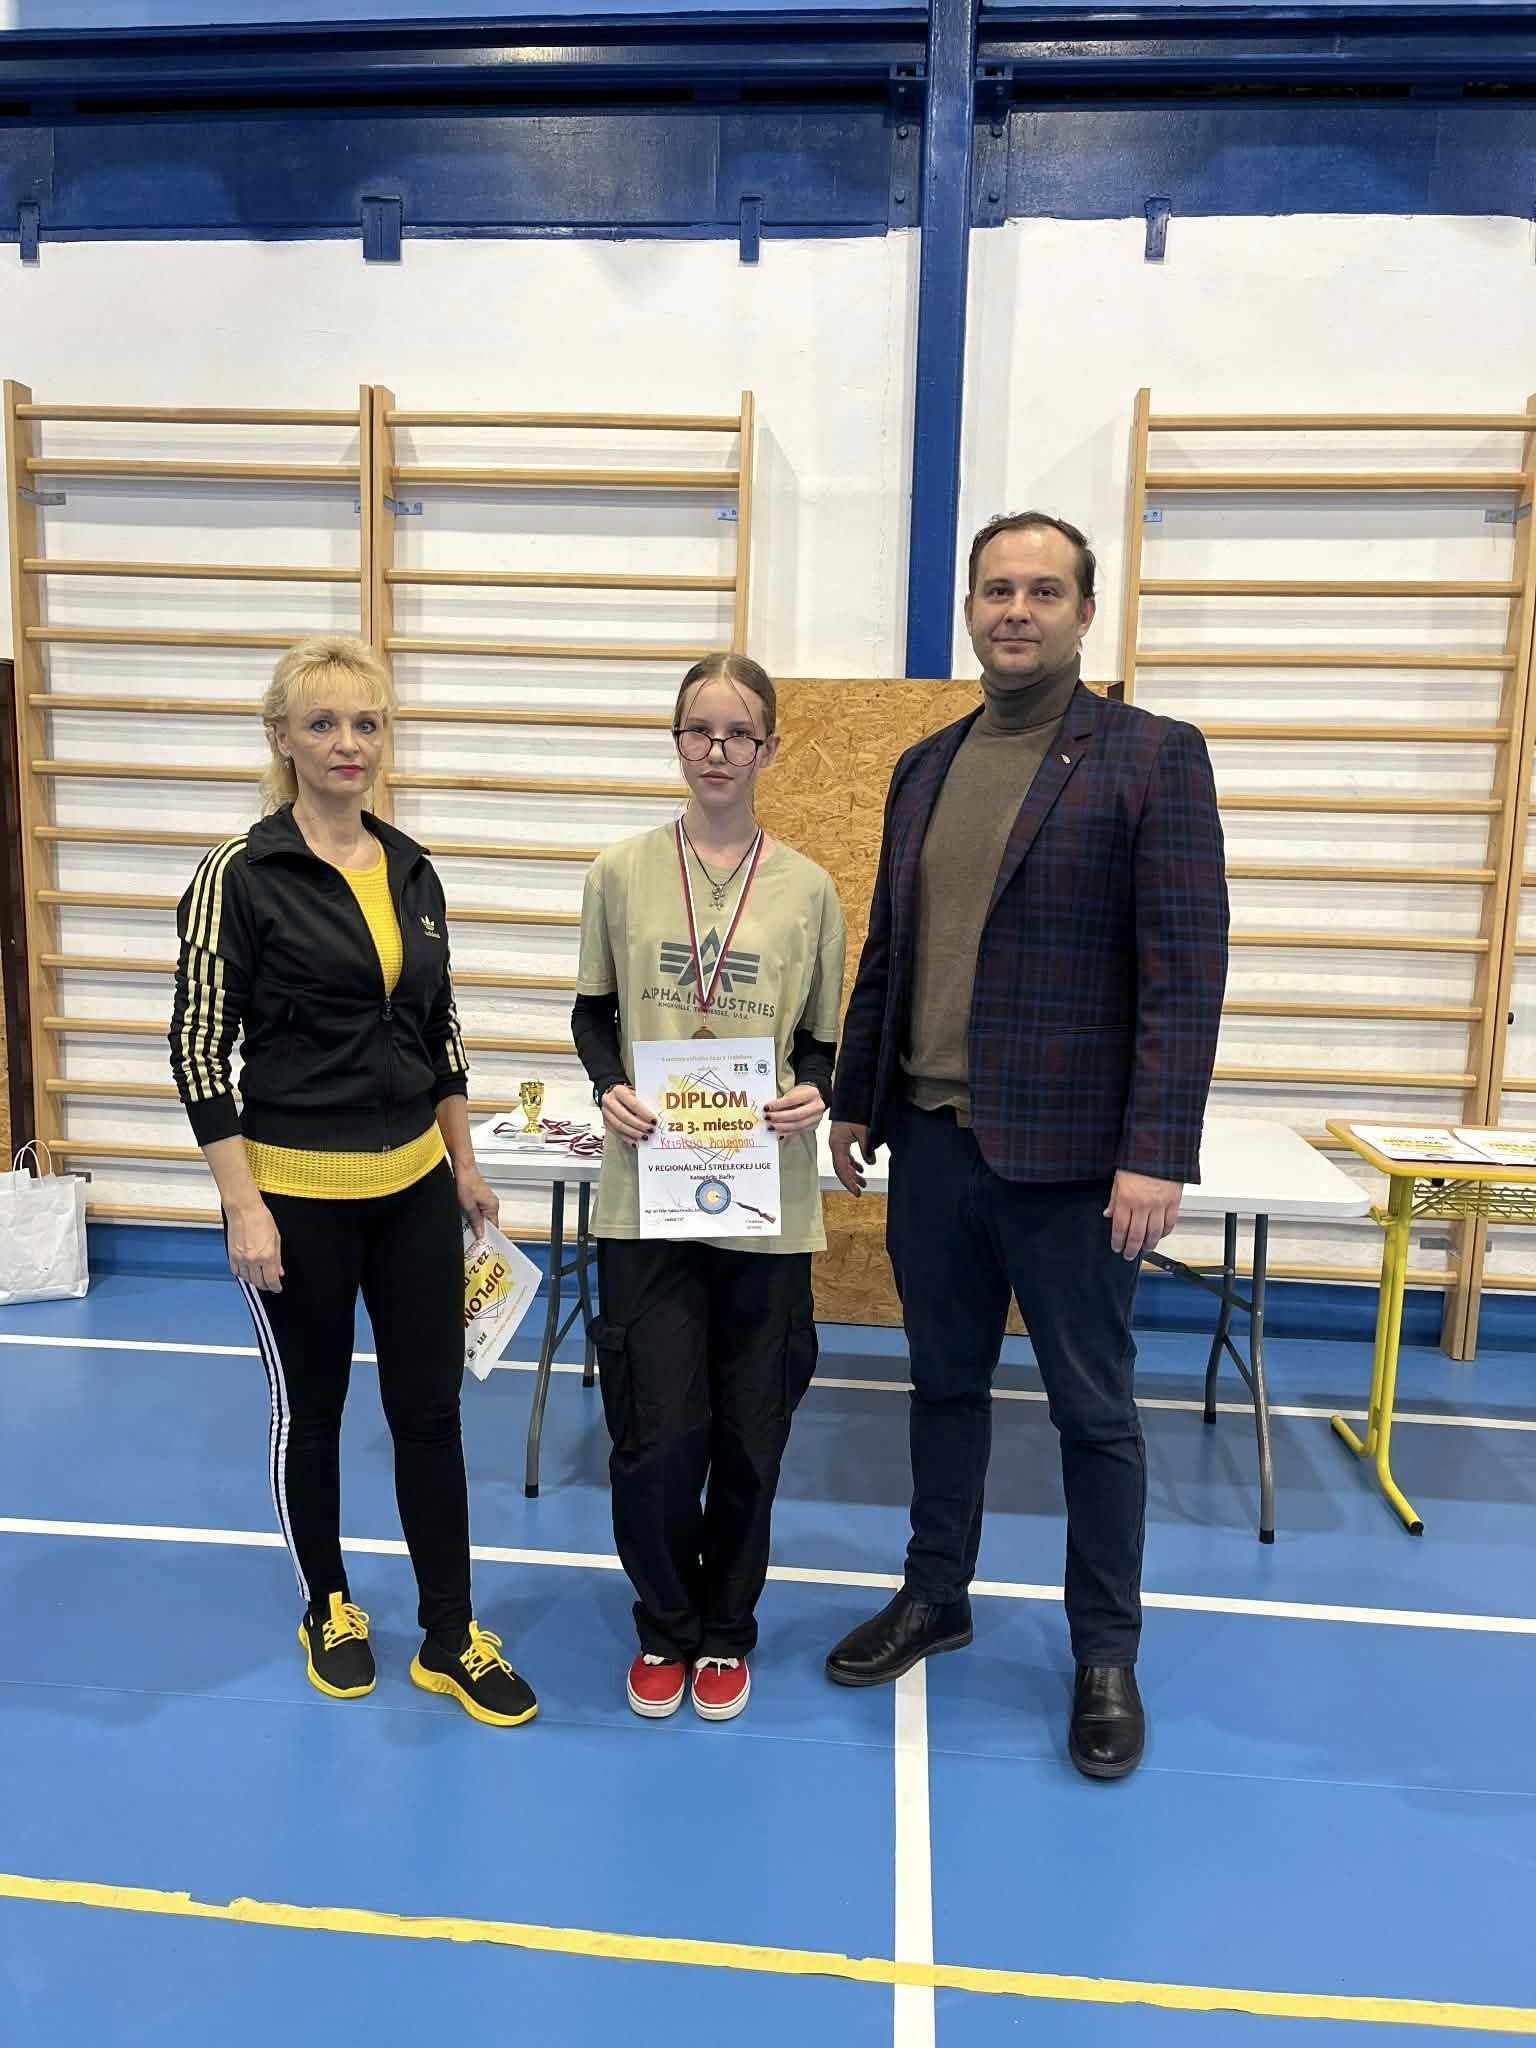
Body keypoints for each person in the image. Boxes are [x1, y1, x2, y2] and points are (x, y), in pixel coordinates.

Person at [824, 513, 1228, 1779]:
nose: (1017, 609)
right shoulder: (923, 766)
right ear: (970, 608)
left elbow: (1184, 973)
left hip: (1076, 1164)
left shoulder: (1153, 756)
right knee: (941, 1387)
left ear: (1084, 613)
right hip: (934, 1146)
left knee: (1092, 1413)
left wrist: (1156, 1149)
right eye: (997, 588)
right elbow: (891, 949)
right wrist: (853, 1096)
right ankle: (935, 1590)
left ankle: (1105, 1649)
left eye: (1044, 591)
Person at [167, 632, 536, 1728]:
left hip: (414, 1188)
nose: (347, 742)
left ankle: (449, 1632)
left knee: (430, 1412)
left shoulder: (412, 866)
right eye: (322, 721)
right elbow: (197, 1049)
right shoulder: (240, 873)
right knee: (314, 1414)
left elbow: (438, 1028)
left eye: (366, 722)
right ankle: (327, 1604)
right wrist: (243, 1204)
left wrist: (464, 1161)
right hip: (293, 1198)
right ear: (279, 737)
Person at [572, 653, 846, 1723]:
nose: (718, 749)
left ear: (769, 747)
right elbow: (594, 1010)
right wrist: (609, 1085)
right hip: (648, 1192)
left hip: (764, 1198)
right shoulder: (620, 871)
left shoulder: (808, 888)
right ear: (677, 741)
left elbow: (821, 1037)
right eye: (700, 729)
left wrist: (817, 1089)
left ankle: (727, 1629)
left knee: (748, 1432)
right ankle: (665, 1622)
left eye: (739, 732)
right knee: (655, 1433)